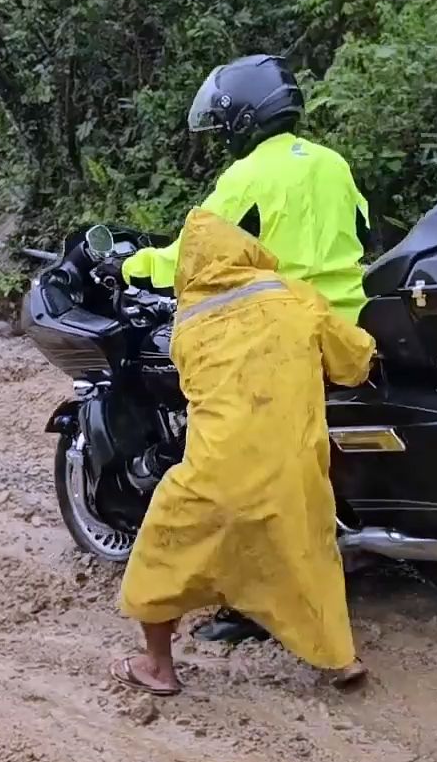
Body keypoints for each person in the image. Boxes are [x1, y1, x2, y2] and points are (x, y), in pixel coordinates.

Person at [110, 208, 376, 697]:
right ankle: (341, 661)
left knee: (161, 559)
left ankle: (157, 668)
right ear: (246, 251)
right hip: (294, 474)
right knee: (309, 560)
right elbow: (355, 362)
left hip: (214, 476)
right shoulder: (295, 296)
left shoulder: (188, 326)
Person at [120, 54, 370, 323]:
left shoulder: (247, 175)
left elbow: (192, 254)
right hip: (354, 322)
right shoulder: (332, 161)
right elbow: (362, 234)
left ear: (243, 119)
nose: (221, 137)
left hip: (291, 324)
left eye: (221, 127)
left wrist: (129, 268)